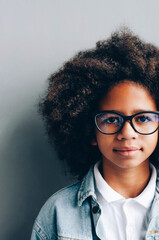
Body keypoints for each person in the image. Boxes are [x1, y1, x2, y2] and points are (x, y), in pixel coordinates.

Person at [31, 28, 159, 240]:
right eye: (110, 119)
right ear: (89, 130)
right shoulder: (58, 212)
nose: (127, 133)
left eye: (143, 118)